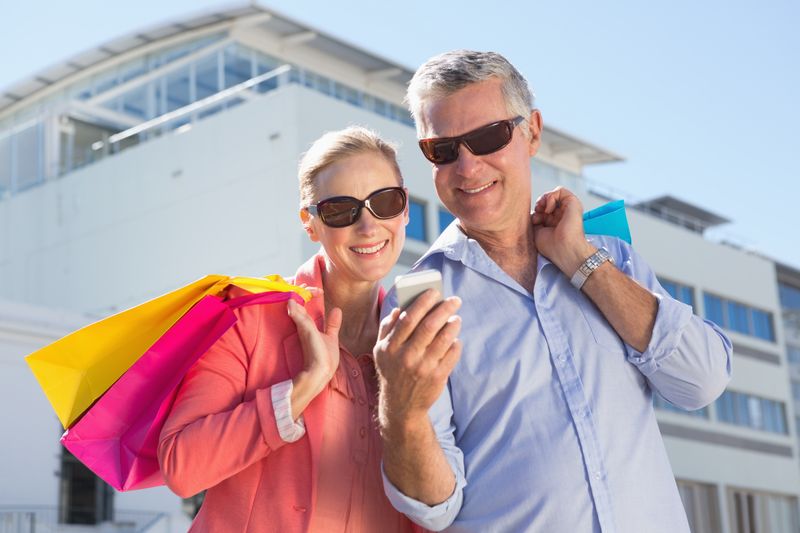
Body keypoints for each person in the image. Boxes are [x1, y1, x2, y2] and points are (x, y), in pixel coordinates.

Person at [373, 50, 732, 532]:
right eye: (443, 150)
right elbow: (433, 508)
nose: (467, 167)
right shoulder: (420, 303)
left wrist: (581, 262)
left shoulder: (609, 257)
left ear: (533, 131)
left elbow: (701, 381)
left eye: (486, 138)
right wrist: (403, 406)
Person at [159, 126, 416, 532]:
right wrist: (302, 389)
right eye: (340, 210)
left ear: (404, 210)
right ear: (310, 223)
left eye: (384, 202)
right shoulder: (249, 319)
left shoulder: (414, 337)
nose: (368, 227)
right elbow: (181, 465)